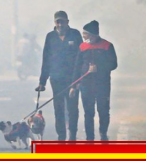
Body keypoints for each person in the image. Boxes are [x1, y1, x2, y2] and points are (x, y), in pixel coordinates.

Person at [36, 10, 83, 141]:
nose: (60, 24)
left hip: (73, 78)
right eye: (58, 21)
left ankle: (72, 134)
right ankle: (61, 136)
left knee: (73, 108)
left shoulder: (75, 34)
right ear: (55, 22)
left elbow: (81, 58)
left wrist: (78, 79)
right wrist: (42, 82)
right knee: (58, 108)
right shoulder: (50, 37)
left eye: (62, 21)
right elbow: (46, 59)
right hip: (56, 79)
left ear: (67, 22)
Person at [70, 20, 117, 142]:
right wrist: (73, 85)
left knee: (103, 109)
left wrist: (100, 67)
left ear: (93, 34)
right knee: (88, 112)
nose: (83, 36)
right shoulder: (82, 47)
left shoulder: (107, 46)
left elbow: (113, 64)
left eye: (85, 34)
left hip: (102, 84)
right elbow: (77, 66)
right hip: (86, 84)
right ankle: (89, 137)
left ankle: (103, 133)